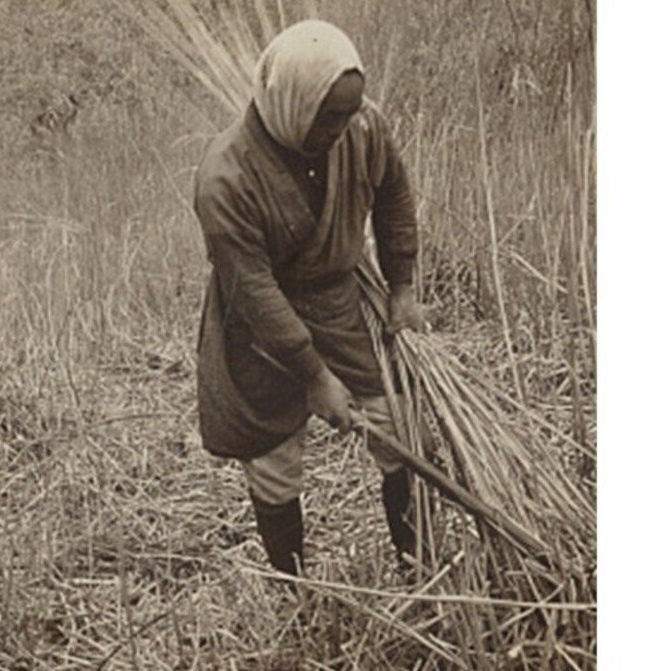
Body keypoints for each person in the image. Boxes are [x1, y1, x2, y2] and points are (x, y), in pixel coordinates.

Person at [192, 21, 427, 576]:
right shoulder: (226, 178)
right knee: (274, 463)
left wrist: (403, 285)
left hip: (343, 303)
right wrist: (315, 376)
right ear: (291, 99)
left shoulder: (363, 126)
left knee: (397, 426)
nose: (342, 128)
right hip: (259, 328)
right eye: (328, 115)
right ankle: (294, 591)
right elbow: (251, 289)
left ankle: (417, 566)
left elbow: (393, 193)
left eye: (349, 111)